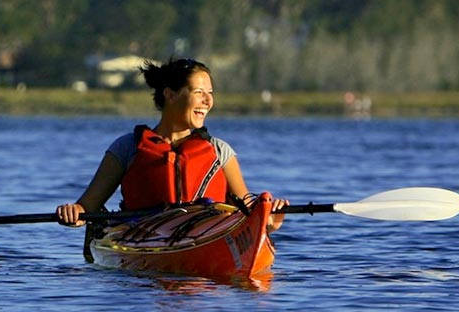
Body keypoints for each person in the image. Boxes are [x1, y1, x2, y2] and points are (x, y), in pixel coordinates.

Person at [55, 58, 287, 253]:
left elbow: (248, 207)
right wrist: (74, 213)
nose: (208, 101)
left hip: (208, 237)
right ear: (170, 95)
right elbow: (86, 208)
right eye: (198, 92)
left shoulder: (219, 151)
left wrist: (269, 217)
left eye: (210, 93)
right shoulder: (127, 148)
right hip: (143, 239)